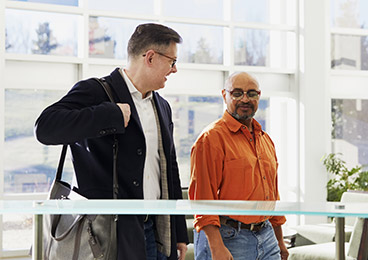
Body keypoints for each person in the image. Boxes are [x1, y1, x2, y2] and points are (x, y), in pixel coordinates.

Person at [35, 23, 188, 260]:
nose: (174, 70)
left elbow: (169, 168)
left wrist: (178, 232)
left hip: (155, 231)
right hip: (108, 233)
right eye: (172, 62)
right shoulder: (96, 91)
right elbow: (45, 128)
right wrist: (110, 115)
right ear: (150, 57)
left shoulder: (163, 107)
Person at [189, 72, 289, 260]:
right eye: (237, 93)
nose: (245, 99)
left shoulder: (265, 139)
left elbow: (272, 194)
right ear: (224, 95)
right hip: (228, 237)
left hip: (267, 237)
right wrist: (216, 246)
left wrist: (279, 241)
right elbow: (202, 198)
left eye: (251, 93)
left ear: (259, 96)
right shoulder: (211, 139)